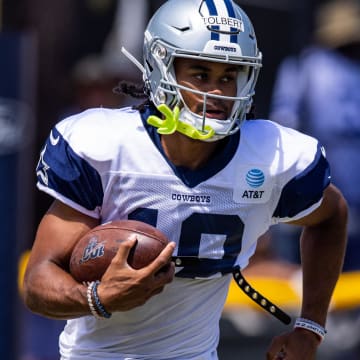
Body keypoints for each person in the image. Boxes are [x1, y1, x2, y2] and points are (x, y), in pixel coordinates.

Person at [23, 0, 348, 359]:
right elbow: (38, 283)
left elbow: (331, 216)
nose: (218, 92)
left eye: (228, 76)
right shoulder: (106, 147)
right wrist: (98, 297)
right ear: (162, 69)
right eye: (201, 74)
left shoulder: (271, 156)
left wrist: (310, 326)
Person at [270, 0, 360, 272]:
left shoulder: (307, 66)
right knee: (297, 274)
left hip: (351, 191)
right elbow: (284, 122)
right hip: (310, 185)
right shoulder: (304, 66)